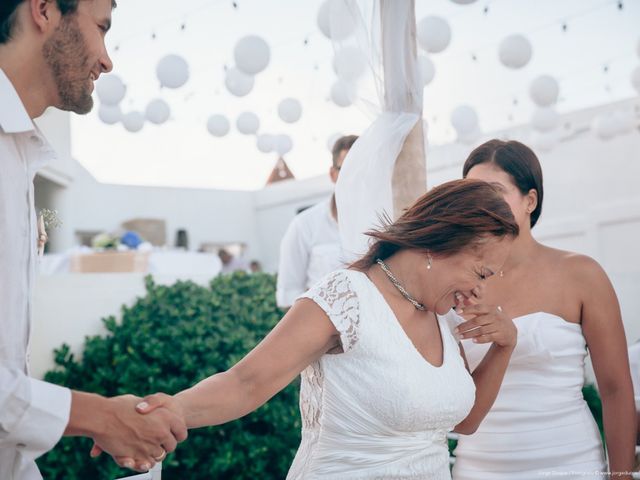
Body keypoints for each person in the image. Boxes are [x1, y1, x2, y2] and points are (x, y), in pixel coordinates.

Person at [123, 179, 522, 479]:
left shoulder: (442, 314)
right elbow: (246, 383)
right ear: (439, 244)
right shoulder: (347, 297)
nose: (480, 289)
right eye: (481, 272)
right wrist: (172, 410)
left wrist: (504, 346)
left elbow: (462, 422)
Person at [0, 1, 186, 477]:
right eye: (101, 28)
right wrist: (101, 417)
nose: (107, 59)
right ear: (43, 9)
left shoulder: (20, 155)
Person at [452, 139, 636, 479]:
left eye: (494, 191)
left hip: (569, 463)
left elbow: (615, 388)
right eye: (471, 193)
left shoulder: (581, 273)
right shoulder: (453, 281)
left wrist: (622, 475)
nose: (481, 205)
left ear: (530, 200)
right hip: (478, 468)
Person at [276, 134, 358, 308]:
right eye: (348, 169)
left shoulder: (387, 222)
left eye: (363, 169)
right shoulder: (304, 225)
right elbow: (288, 296)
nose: (356, 177)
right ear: (333, 174)